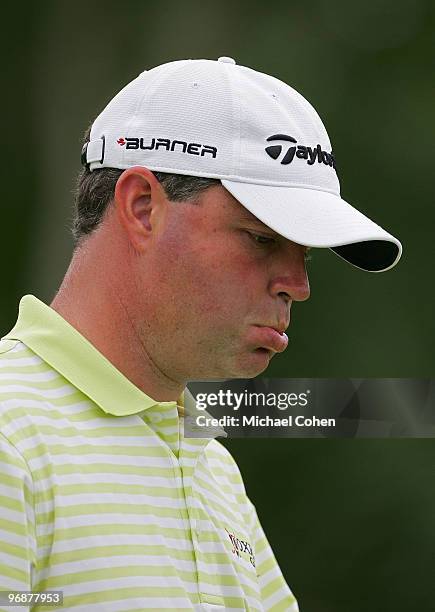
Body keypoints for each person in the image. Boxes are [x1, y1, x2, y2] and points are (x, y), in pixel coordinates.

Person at [0, 56, 401, 611]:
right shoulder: (10, 436)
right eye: (261, 239)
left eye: (304, 253)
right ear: (142, 207)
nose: (298, 285)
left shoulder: (212, 467)